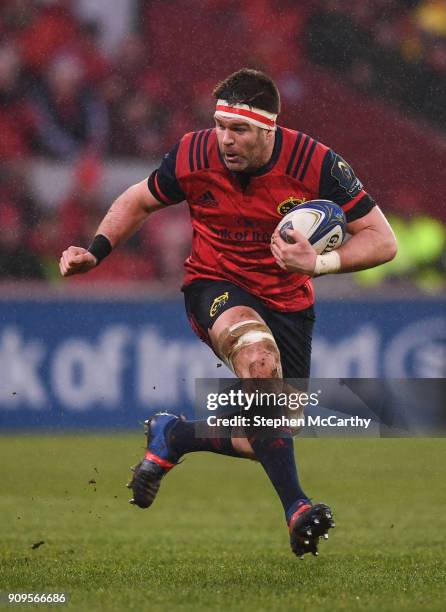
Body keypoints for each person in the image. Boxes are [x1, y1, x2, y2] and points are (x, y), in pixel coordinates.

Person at [59, 68, 397, 558]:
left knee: (263, 432)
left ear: (268, 130)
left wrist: (318, 262)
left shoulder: (315, 162)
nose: (225, 140)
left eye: (238, 130)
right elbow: (139, 199)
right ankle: (297, 507)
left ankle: (174, 434)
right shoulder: (194, 153)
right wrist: (96, 250)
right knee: (256, 356)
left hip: (288, 302)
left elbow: (383, 241)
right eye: (220, 126)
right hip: (214, 285)